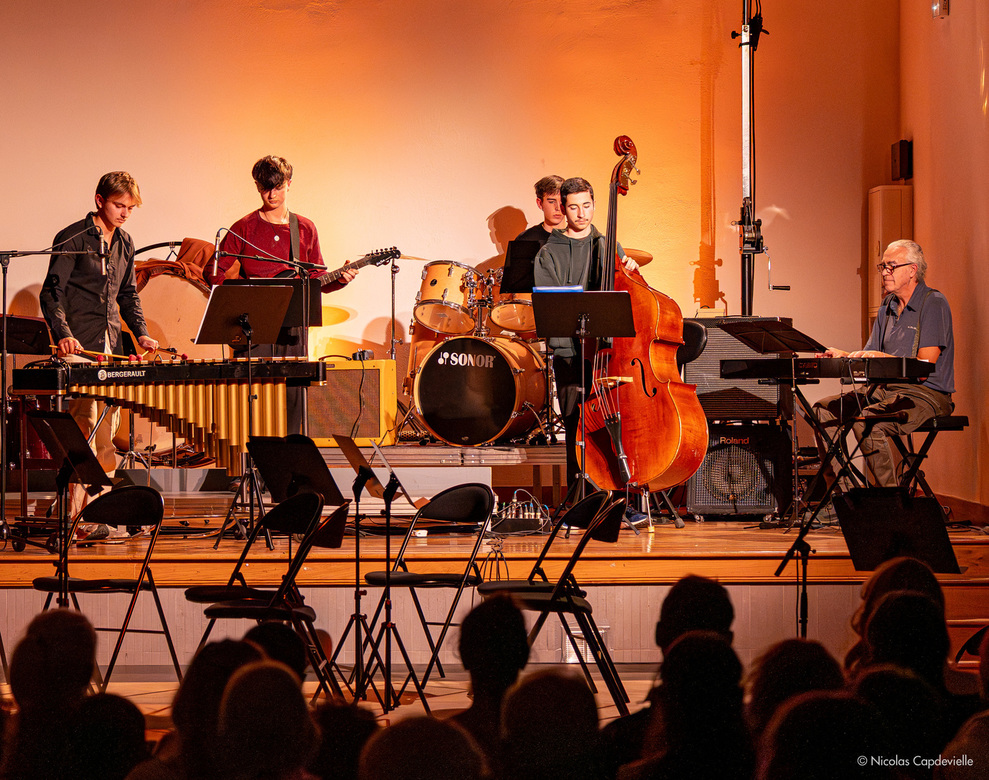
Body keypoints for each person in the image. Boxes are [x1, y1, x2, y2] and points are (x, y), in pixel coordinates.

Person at [39, 172, 158, 532]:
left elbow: (127, 295)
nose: (124, 213)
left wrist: (141, 333)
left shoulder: (125, 242)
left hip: (110, 346)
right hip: (80, 345)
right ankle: (77, 512)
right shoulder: (73, 237)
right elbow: (52, 292)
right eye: (119, 205)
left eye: (130, 208)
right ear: (99, 200)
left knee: (108, 431)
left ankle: (89, 511)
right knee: (88, 426)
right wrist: (63, 335)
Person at [206, 155, 356, 434]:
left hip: (292, 326)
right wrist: (238, 295)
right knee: (250, 406)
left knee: (291, 405)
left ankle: (288, 472)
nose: (271, 194)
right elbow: (213, 271)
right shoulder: (243, 227)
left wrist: (340, 280)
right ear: (257, 186)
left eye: (277, 187)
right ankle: (248, 471)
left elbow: (313, 280)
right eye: (264, 188)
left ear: (289, 184)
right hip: (254, 326)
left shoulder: (305, 228)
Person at [814, 239, 954, 488]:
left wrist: (881, 358)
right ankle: (843, 496)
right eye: (883, 267)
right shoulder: (887, 306)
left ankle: (890, 504)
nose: (885, 273)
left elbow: (924, 366)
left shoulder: (933, 303)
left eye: (892, 266)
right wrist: (844, 355)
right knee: (822, 410)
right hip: (884, 390)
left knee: (868, 422)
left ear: (912, 270)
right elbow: (871, 356)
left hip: (925, 394)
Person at [533, 177, 637, 495]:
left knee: (612, 426)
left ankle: (617, 494)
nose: (582, 213)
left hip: (609, 357)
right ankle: (580, 499)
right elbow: (552, 314)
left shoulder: (609, 246)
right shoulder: (548, 254)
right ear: (563, 208)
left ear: (594, 204)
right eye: (574, 207)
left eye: (587, 206)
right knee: (576, 424)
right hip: (570, 356)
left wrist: (630, 271)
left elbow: (626, 301)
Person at [515, 175, 566, 248]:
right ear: (540, 203)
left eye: (562, 201)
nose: (558, 207)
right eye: (551, 202)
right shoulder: (526, 240)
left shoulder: (579, 237)